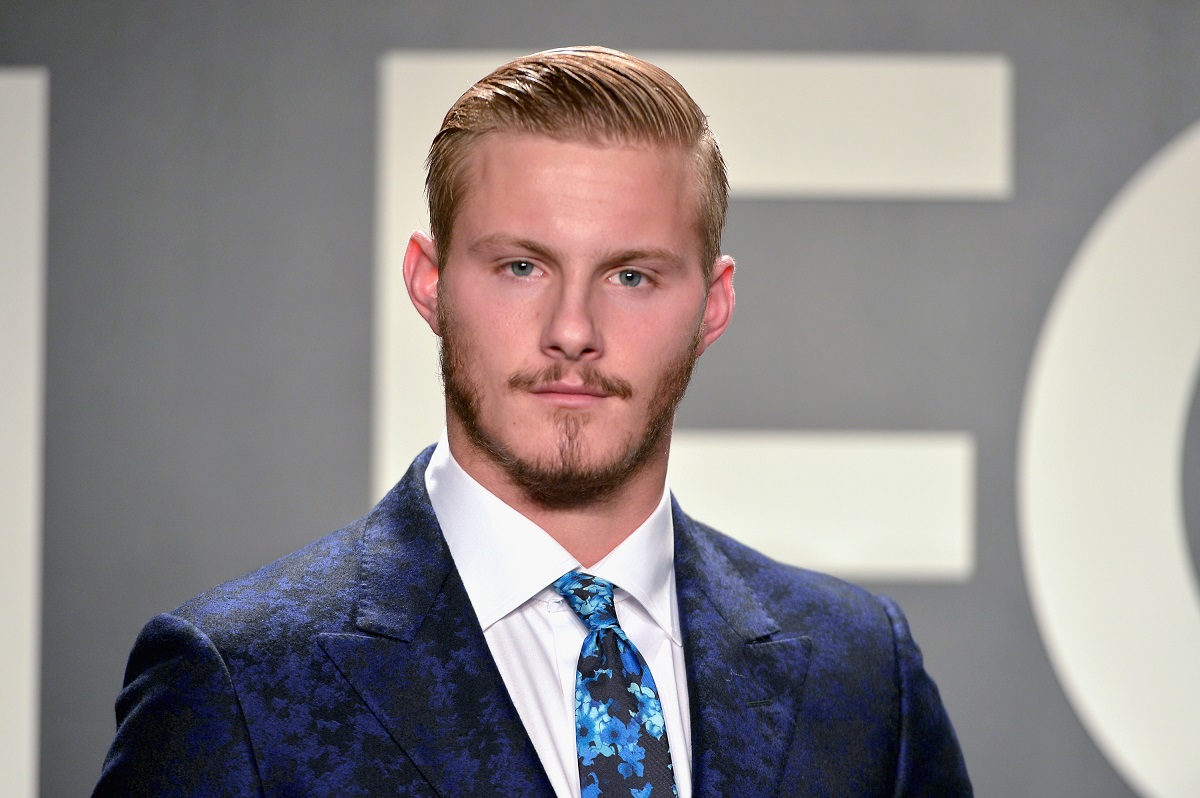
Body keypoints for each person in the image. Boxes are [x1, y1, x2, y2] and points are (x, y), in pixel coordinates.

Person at [93, 46, 971, 797]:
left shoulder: (864, 676)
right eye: (521, 266)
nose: (573, 330)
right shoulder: (236, 683)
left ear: (713, 304)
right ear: (429, 283)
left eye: (631, 276)